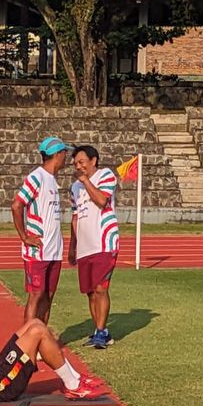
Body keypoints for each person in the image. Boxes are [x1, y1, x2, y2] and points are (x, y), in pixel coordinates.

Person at [11, 136, 74, 325]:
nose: (66, 157)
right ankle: (26, 344)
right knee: (36, 295)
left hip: (53, 250)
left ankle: (41, 339)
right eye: (65, 153)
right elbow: (16, 205)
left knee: (48, 296)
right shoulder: (36, 177)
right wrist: (24, 236)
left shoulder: (52, 180)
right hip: (38, 250)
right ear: (57, 154)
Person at [68, 145, 119, 350]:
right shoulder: (74, 188)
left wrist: (86, 181)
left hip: (104, 240)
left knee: (101, 287)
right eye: (75, 164)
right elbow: (75, 217)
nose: (78, 166)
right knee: (90, 291)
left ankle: (100, 331)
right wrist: (72, 245)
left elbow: (101, 201)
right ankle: (101, 331)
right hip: (85, 244)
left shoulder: (105, 176)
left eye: (82, 162)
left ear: (93, 161)